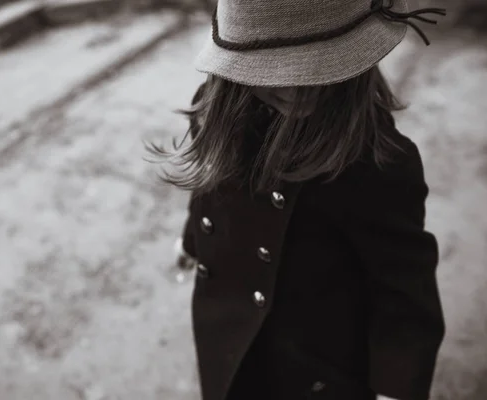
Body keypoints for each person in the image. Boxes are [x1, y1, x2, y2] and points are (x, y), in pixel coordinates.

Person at [146, 0, 448, 399]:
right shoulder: (217, 109)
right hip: (225, 326)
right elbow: (211, 188)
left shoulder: (377, 160)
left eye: (314, 67)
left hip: (316, 367)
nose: (293, 88)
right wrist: (192, 239)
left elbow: (404, 291)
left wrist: (396, 388)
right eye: (271, 69)